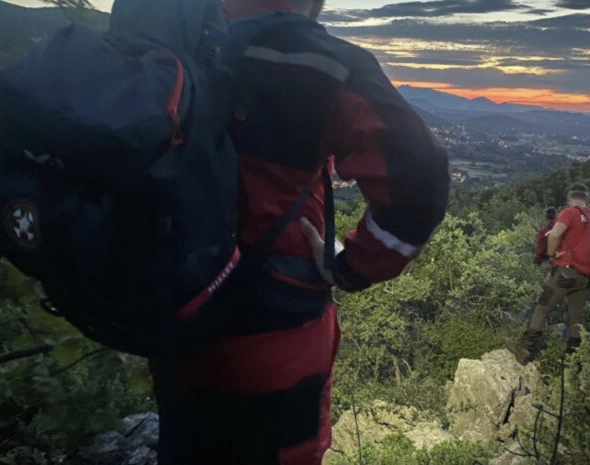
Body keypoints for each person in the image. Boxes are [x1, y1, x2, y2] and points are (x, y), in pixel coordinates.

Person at [154, 0, 450, 463]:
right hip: (273, 329)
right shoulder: (318, 61)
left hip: (172, 314)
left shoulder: (173, 40)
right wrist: (352, 265)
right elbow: (419, 178)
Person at [507, 185, 590, 365]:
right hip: (585, 275)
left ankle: (524, 350)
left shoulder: (569, 213)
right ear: (586, 198)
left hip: (565, 272)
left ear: (570, 198)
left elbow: (553, 236)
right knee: (577, 316)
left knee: (542, 307)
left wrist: (552, 255)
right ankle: (575, 359)